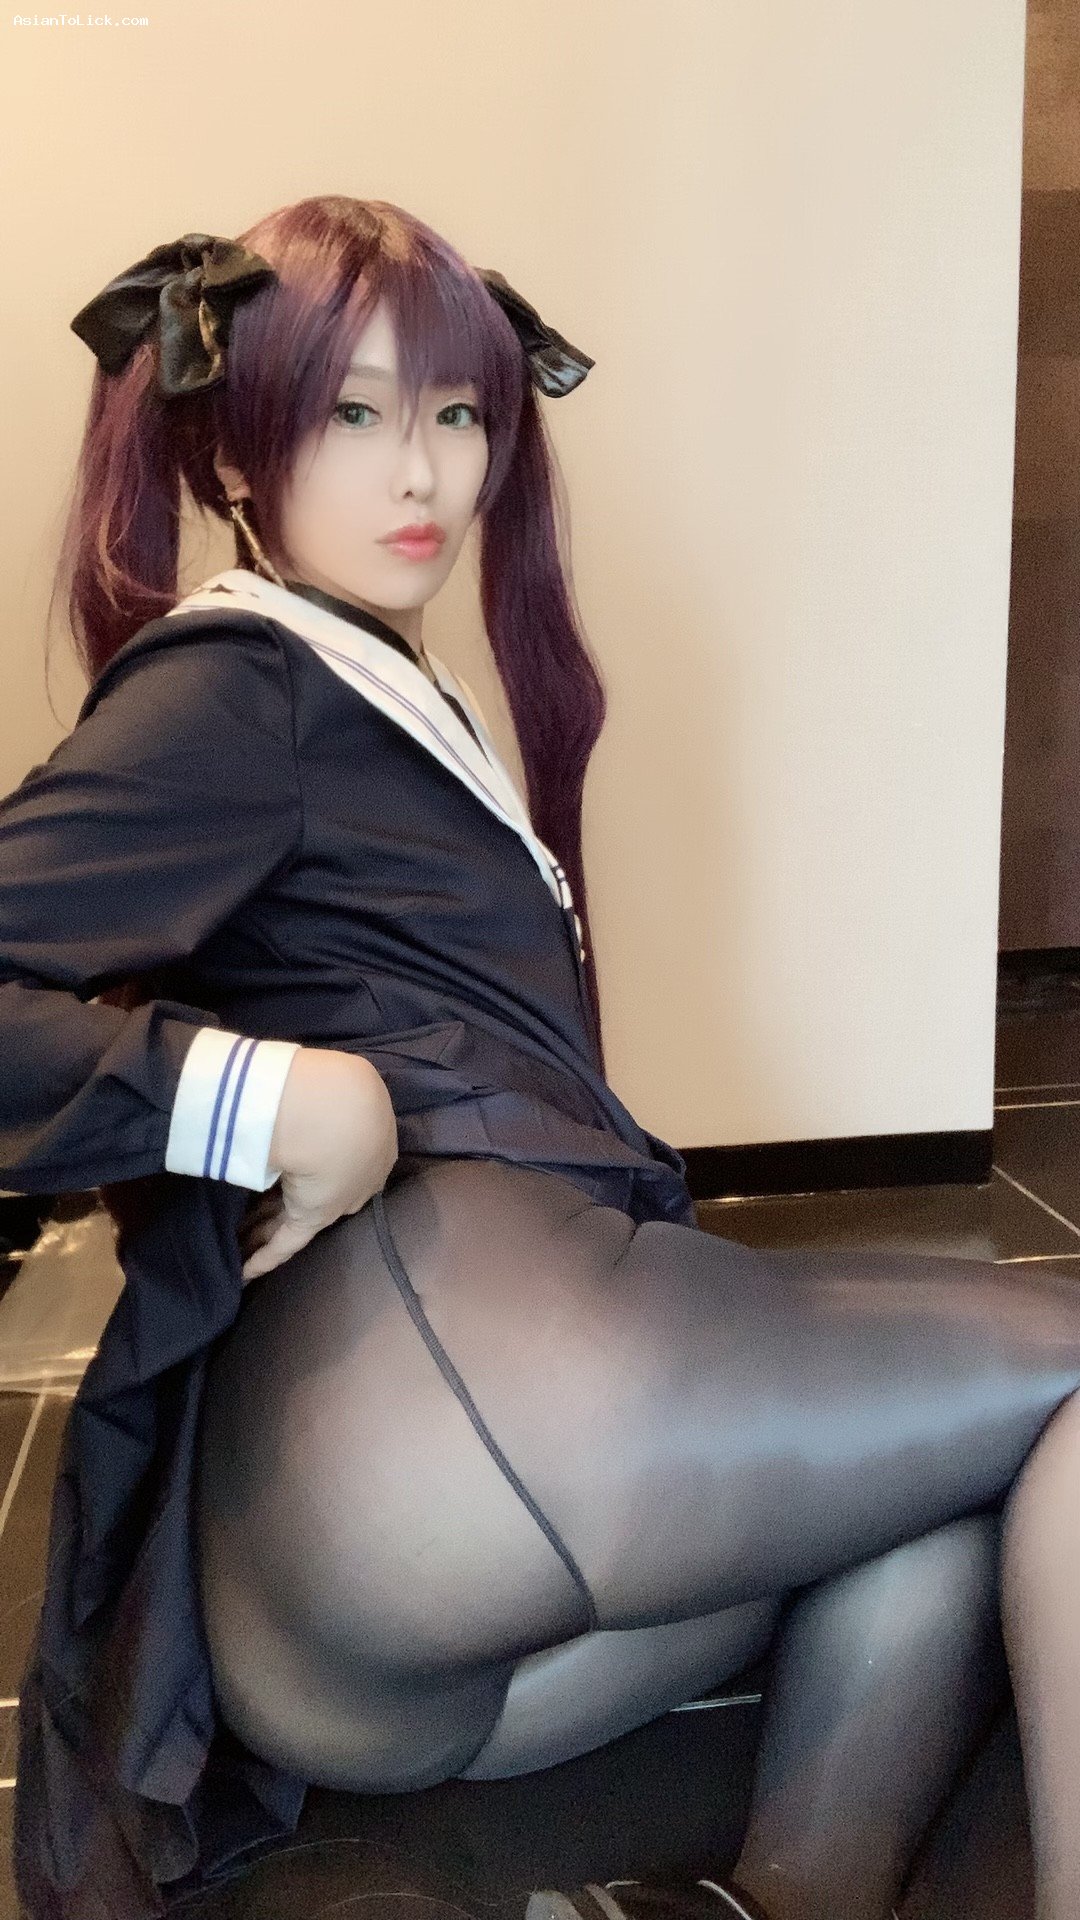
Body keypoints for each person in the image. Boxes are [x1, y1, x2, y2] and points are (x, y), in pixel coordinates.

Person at [3, 194, 1080, 1920]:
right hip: (464, 1453)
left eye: (456, 411)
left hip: (352, 1589)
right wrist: (273, 1093)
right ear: (235, 453)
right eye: (351, 413)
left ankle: (780, 1898)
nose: (422, 471)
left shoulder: (357, 678)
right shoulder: (245, 687)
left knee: (929, 1469)